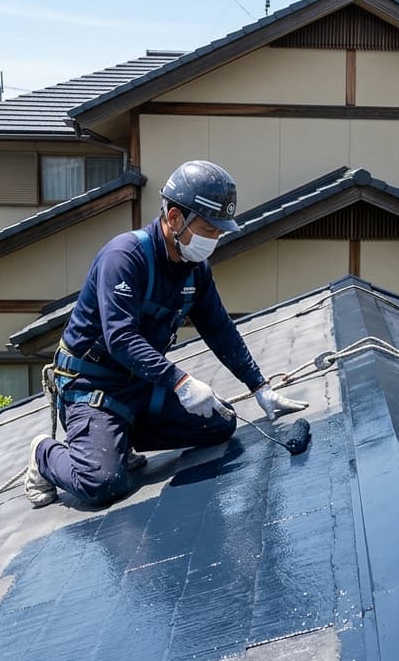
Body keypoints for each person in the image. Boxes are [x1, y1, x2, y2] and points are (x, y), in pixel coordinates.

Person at [25, 160, 307, 508]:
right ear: (174, 217)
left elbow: (219, 329)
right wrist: (181, 382)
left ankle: (116, 441)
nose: (214, 239)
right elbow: (120, 338)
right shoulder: (125, 257)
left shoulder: (194, 270)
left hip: (141, 386)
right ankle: (44, 455)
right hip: (93, 389)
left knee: (220, 424)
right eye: (208, 228)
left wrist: (260, 387)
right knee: (102, 483)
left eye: (219, 232)